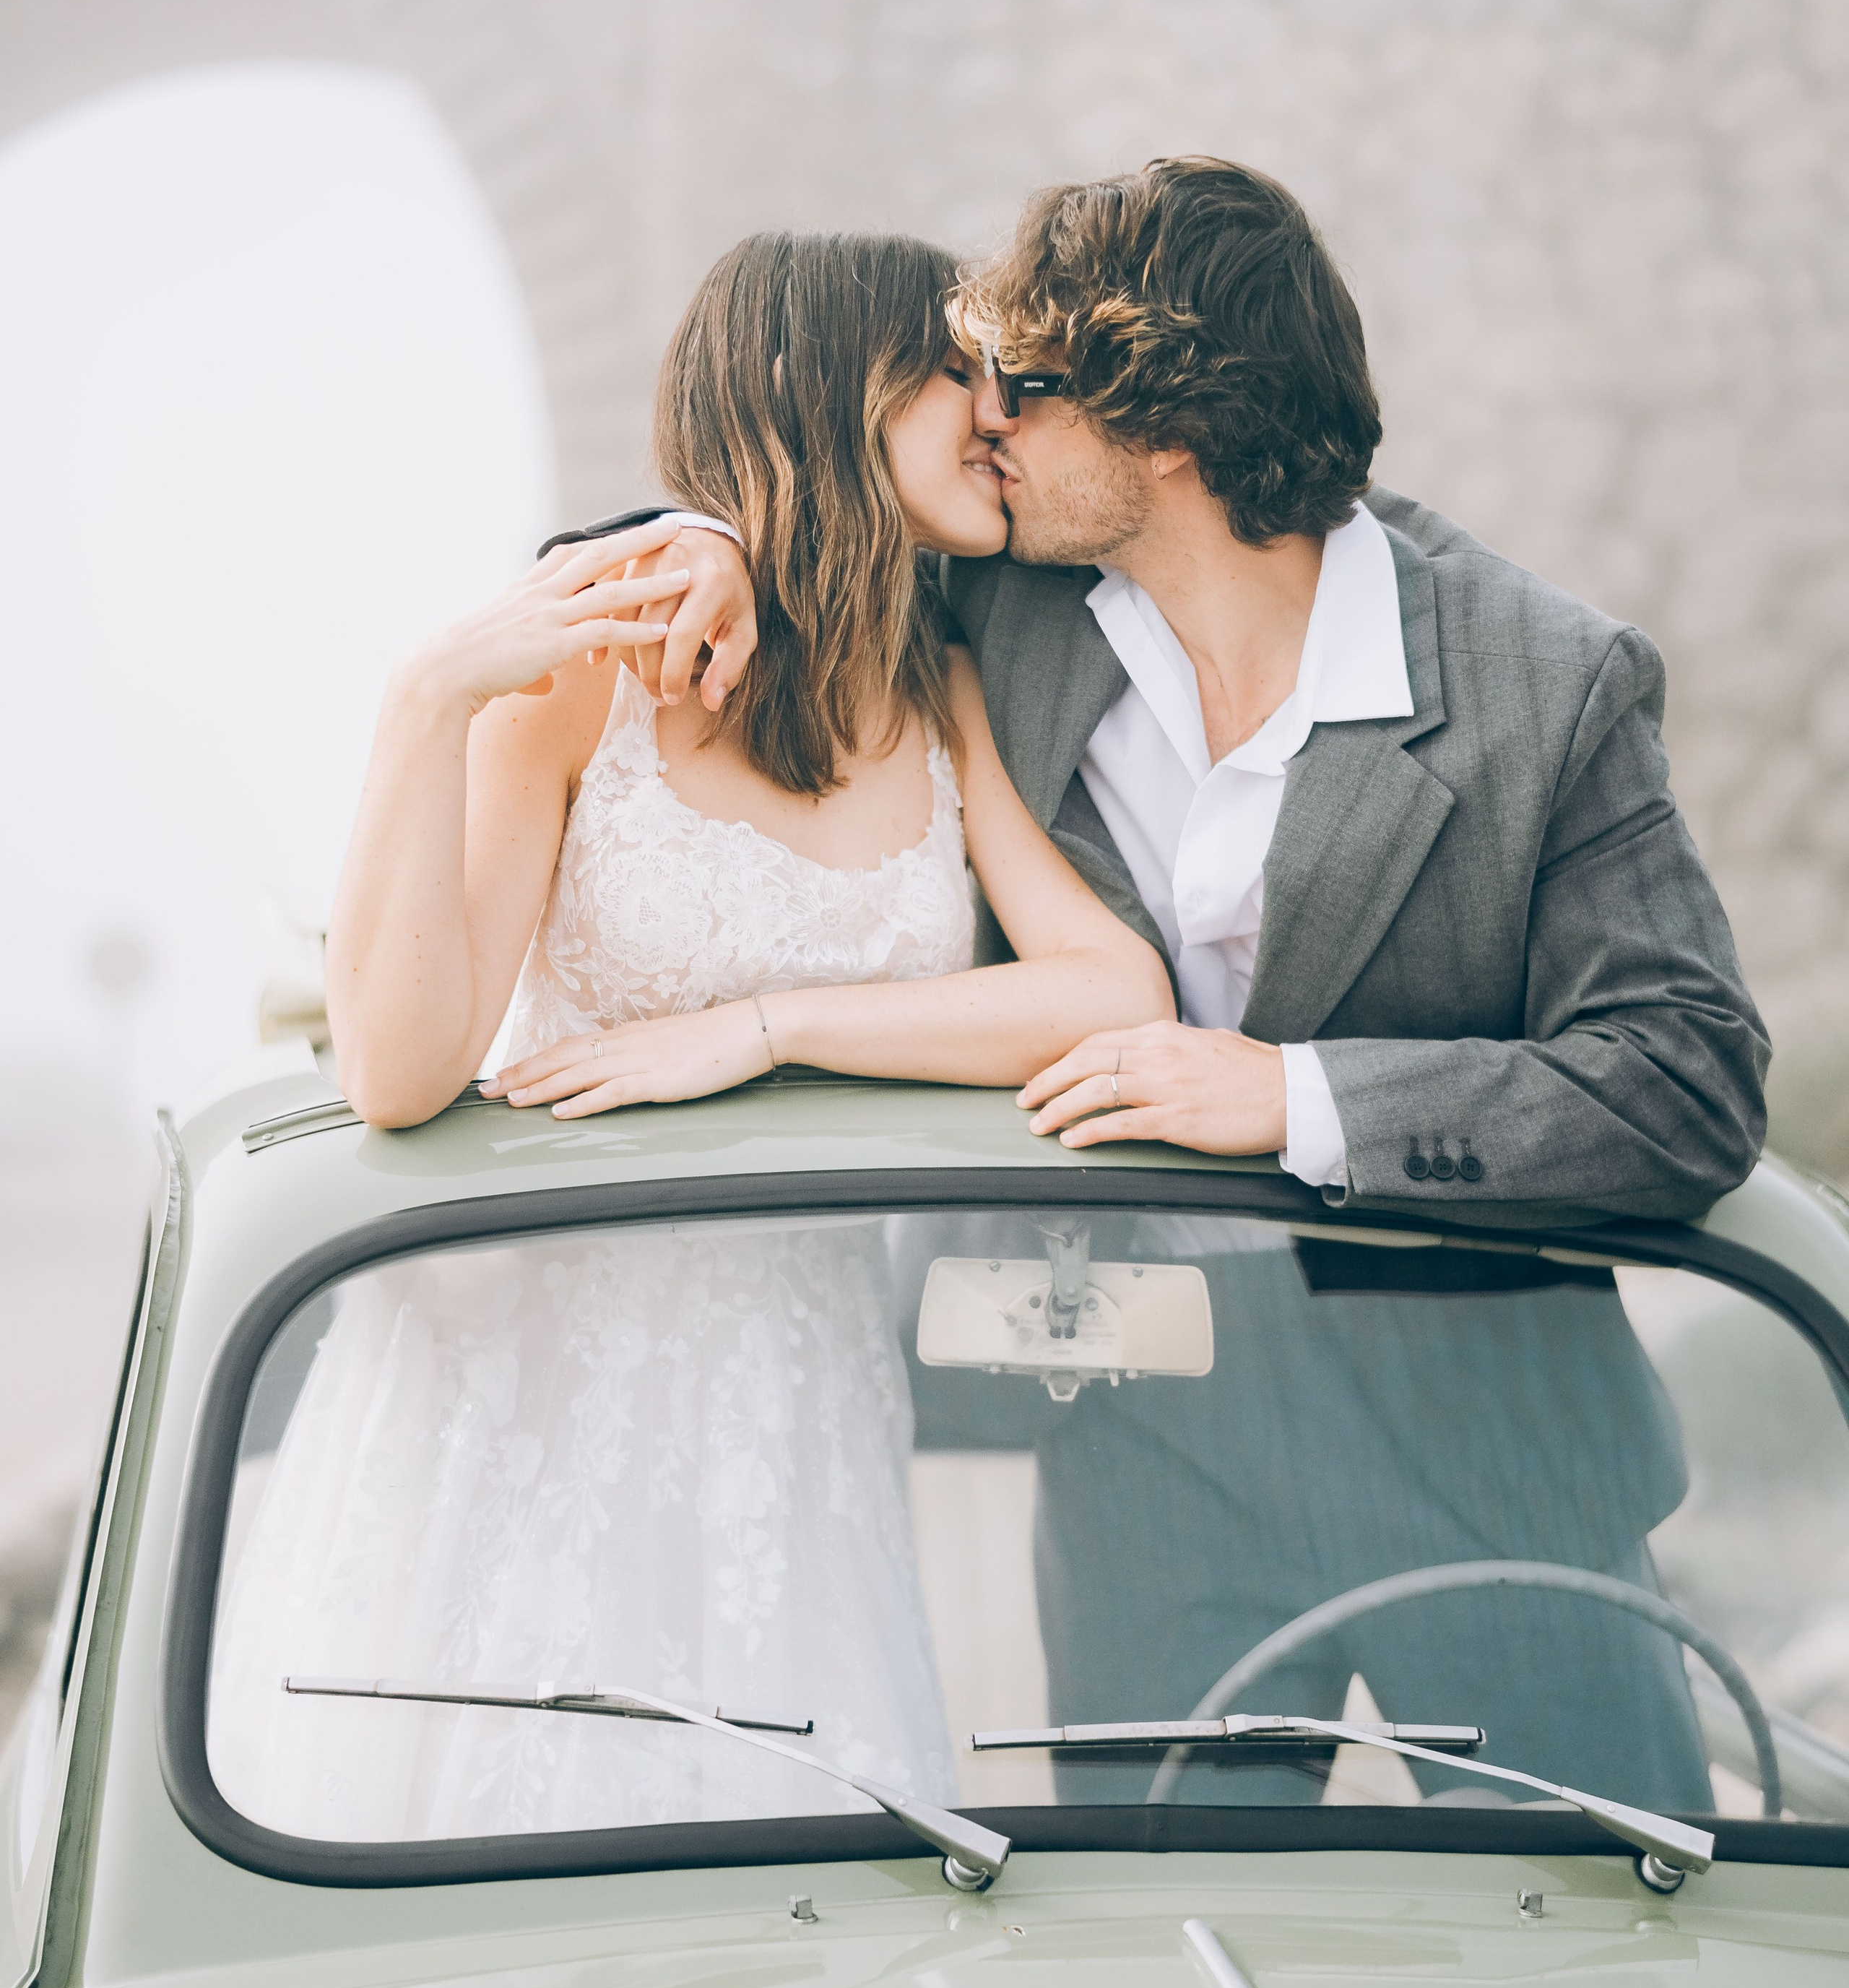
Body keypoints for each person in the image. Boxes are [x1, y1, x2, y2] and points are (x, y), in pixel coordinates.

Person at [595, 158, 1769, 1809]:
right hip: (1139, 1443)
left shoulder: (1543, 685)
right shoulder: (995, 596)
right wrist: (706, 541)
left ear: (1165, 426)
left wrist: (1293, 1097)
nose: (983, 418)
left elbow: (1684, 1079)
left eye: (1025, 384)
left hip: (1492, 1454)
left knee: (1588, 1943)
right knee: (1156, 1944)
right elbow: (793, 494)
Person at [205, 231, 1172, 1844]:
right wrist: (426, 700)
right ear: (837, 392)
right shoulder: (590, 676)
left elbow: (1114, 995)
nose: (997, 405)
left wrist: (765, 1030)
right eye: (952, 369)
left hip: (793, 1388)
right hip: (527, 1383)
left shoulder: (940, 685)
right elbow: (396, 1069)